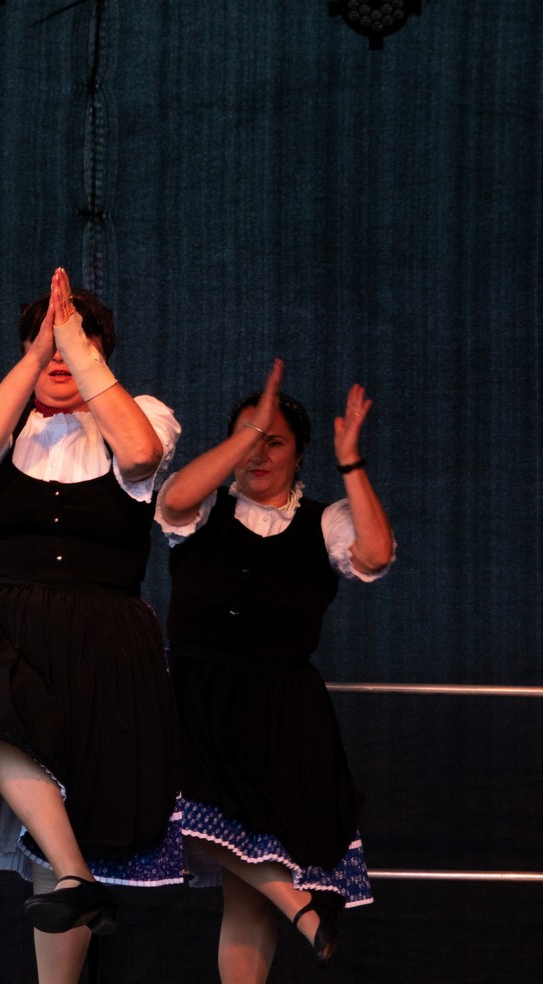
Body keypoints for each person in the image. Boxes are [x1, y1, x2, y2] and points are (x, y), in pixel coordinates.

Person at [0, 268, 182, 984]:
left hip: (103, 638)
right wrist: (40, 348)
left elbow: (141, 456)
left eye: (77, 346)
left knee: (67, 820)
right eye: (46, 346)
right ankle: (76, 875)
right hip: (6, 627)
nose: (60, 359)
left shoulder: (142, 415)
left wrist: (78, 346)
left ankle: (72, 887)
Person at [155, 358, 393, 981]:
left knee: (246, 901)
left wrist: (351, 461)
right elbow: (172, 499)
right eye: (247, 439)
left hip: (280, 712)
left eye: (274, 442)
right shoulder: (204, 505)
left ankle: (290, 906)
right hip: (193, 699)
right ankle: (302, 906)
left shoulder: (324, 520)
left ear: (299, 453)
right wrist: (247, 435)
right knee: (174, 810)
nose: (258, 454)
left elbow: (374, 555)